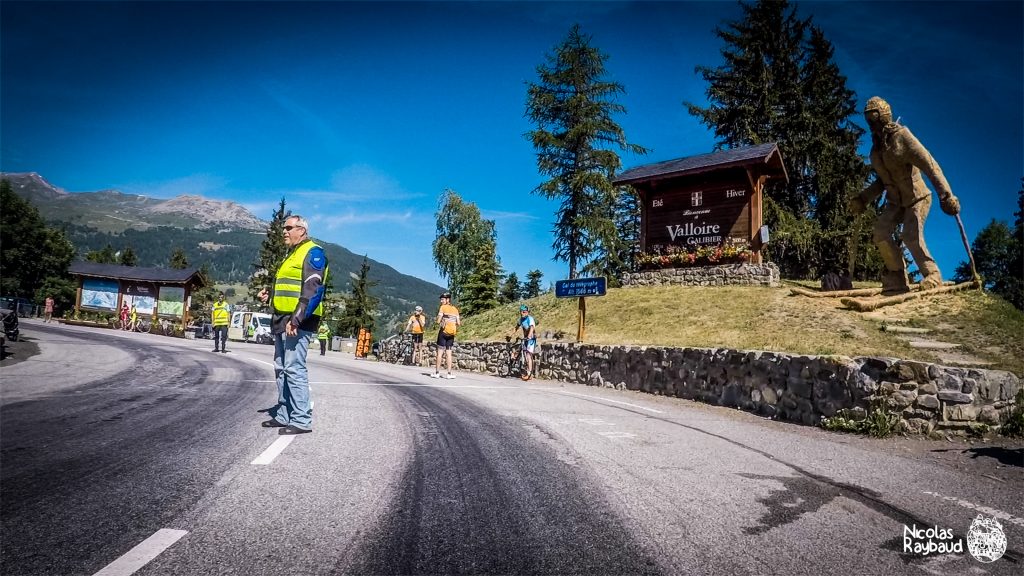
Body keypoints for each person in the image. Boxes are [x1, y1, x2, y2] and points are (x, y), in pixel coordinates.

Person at [849, 96, 960, 295]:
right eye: (867, 118)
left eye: (873, 116)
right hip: (895, 201)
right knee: (880, 233)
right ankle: (897, 275)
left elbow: (930, 165)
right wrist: (863, 198)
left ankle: (932, 275)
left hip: (917, 197)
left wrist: (946, 195)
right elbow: (882, 182)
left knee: (911, 235)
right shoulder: (876, 151)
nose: (870, 122)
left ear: (883, 115)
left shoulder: (903, 137)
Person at [258, 215, 329, 435]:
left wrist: (296, 318)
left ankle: (301, 419)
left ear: (302, 230)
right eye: (284, 228)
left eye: (288, 228)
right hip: (282, 318)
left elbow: (313, 289)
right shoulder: (292, 254)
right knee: (280, 367)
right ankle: (284, 414)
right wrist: (269, 295)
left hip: (298, 320)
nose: (284, 232)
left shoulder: (313, 252)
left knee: (294, 367)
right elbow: (290, 286)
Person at [432, 292, 460, 379]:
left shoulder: (443, 307)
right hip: (451, 334)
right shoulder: (455, 309)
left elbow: (438, 321)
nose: (441, 301)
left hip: (443, 332)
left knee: (440, 353)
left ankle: (437, 373)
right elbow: (458, 323)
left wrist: (443, 320)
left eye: (442, 299)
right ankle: (449, 373)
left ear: (447, 300)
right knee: (449, 353)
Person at [507, 304, 537, 380]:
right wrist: (510, 335)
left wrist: (529, 336)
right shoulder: (521, 319)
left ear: (527, 312)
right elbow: (516, 327)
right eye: (521, 312)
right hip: (525, 338)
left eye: (524, 312)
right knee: (518, 349)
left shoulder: (530, 319)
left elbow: (532, 328)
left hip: (531, 339)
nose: (522, 313)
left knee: (528, 356)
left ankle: (529, 374)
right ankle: (513, 360)